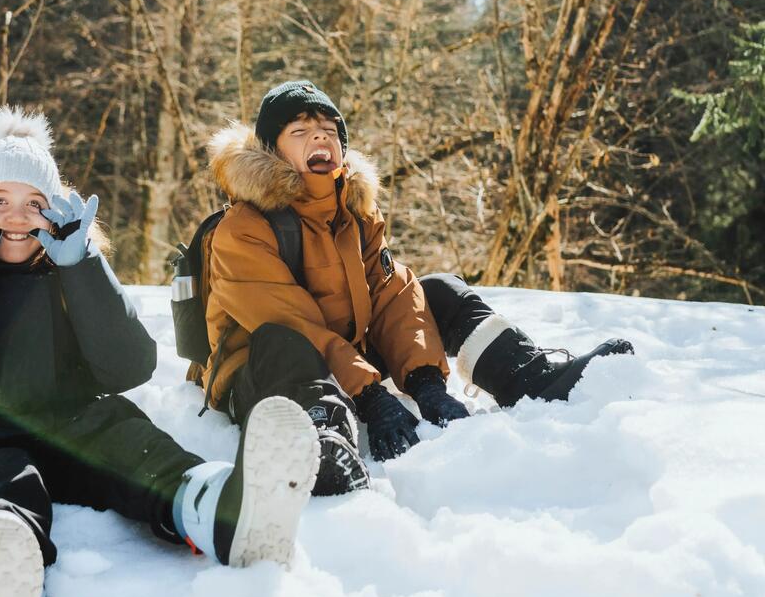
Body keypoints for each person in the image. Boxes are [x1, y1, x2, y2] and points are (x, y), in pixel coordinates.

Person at [0, 105, 319, 597]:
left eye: (34, 204)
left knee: (135, 445)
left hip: (78, 426)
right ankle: (5, 579)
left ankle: (222, 509)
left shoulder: (70, 271)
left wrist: (83, 267)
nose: (16, 217)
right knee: (3, 479)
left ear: (57, 212)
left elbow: (129, 366)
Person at [188, 80, 634, 496]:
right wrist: (370, 395)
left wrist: (424, 382)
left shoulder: (355, 212)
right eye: (300, 131)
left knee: (437, 289)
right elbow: (290, 322)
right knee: (283, 342)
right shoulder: (243, 229)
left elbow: (392, 295)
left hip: (342, 355)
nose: (319, 138)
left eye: (328, 129)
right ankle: (321, 437)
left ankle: (530, 377)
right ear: (272, 151)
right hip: (262, 370)